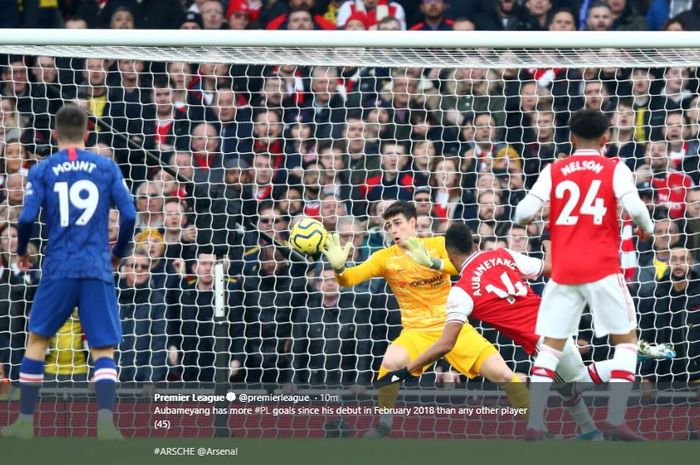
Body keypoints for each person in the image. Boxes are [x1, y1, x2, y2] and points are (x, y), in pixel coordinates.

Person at [378, 222, 608, 440]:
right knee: (565, 387)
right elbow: (550, 268)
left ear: (450, 256)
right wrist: (547, 240)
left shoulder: (462, 291)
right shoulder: (502, 254)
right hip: (552, 323)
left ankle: (632, 356)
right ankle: (591, 432)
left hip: (543, 337)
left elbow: (446, 344)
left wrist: (407, 371)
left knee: (577, 381)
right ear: (475, 245)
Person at [322, 200, 529, 438]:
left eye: (397, 223)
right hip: (416, 331)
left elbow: (468, 267)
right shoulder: (384, 258)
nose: (393, 230)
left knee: (503, 374)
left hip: (452, 326)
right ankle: (384, 424)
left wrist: (431, 263)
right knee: (390, 362)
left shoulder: (438, 244)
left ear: (413, 223)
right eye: (388, 226)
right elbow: (350, 279)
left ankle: (537, 427)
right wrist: (339, 269)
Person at [514, 108, 654, 441]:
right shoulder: (614, 167)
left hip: (563, 270)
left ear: (571, 138)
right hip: (602, 267)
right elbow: (635, 209)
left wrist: (537, 217)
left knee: (550, 347)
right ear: (606, 139)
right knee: (627, 342)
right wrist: (646, 228)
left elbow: (521, 214)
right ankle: (616, 420)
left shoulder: (555, 169)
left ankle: (535, 424)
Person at [1, 104, 136, 440]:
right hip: (95, 265)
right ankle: (106, 425)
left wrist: (21, 253)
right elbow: (131, 215)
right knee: (103, 349)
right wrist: (117, 254)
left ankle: (25, 424)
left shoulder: (43, 169)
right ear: (88, 132)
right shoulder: (105, 166)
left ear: (55, 135)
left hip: (59, 265)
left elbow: (27, 218)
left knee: (36, 341)